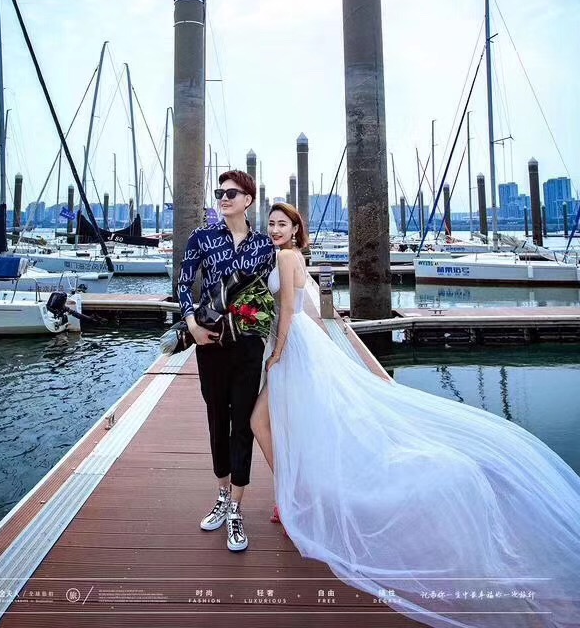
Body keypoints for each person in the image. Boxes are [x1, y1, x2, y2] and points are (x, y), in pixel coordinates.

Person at [251, 202, 580, 628]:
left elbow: (290, 311)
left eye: (282, 223)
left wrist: (276, 354)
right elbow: (311, 311)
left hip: (292, 347)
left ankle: (289, 499)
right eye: (271, 223)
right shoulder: (294, 257)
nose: (275, 229)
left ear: (296, 229)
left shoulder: (285, 257)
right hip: (303, 345)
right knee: (294, 422)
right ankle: (290, 497)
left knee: (266, 422)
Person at [177, 170, 275, 552]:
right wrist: (192, 325)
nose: (223, 197)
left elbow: (269, 293)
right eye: (220, 192)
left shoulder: (264, 245)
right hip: (210, 342)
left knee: (242, 424)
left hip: (247, 345)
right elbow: (184, 283)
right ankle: (221, 494)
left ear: (248, 199)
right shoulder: (201, 238)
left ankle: (236, 507)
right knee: (217, 418)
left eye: (231, 193)